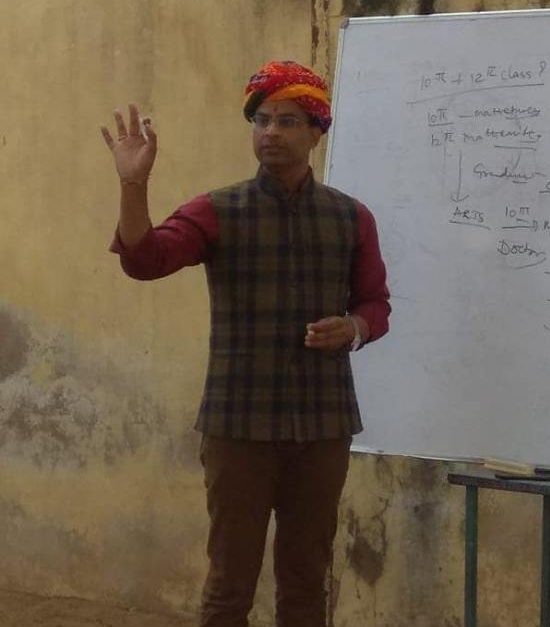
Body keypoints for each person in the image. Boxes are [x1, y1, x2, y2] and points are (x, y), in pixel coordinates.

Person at [101, 60, 390, 627]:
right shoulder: (218, 210)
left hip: (323, 425)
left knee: (306, 583)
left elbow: (375, 304)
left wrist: (352, 329)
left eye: (287, 121)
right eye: (262, 120)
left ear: (317, 132)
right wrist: (133, 185)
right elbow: (145, 260)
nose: (271, 132)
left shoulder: (352, 217)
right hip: (238, 427)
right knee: (229, 586)